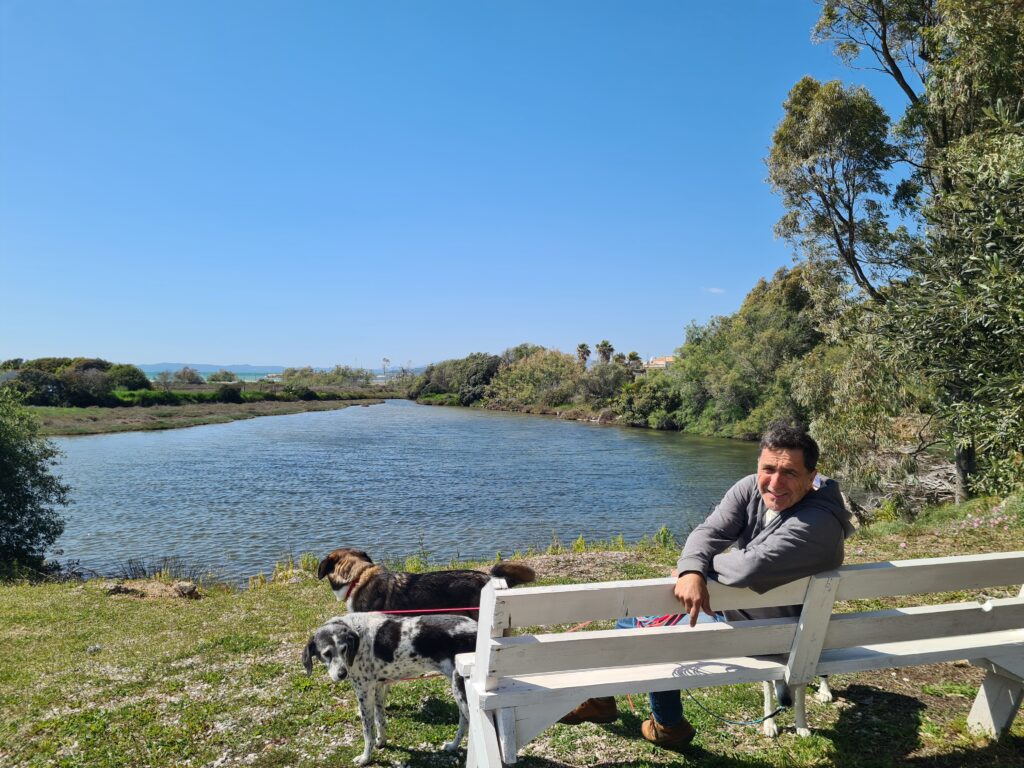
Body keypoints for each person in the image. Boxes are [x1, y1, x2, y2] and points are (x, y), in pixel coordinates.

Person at [558, 421, 855, 750]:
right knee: (634, 621)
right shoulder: (750, 489)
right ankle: (608, 702)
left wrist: (697, 568)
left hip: (775, 636)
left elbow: (749, 567)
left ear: (812, 477)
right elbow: (708, 532)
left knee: (652, 633)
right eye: (768, 469)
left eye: (789, 472)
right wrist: (691, 570)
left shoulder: (818, 524)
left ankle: (666, 724)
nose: (775, 482)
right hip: (742, 615)